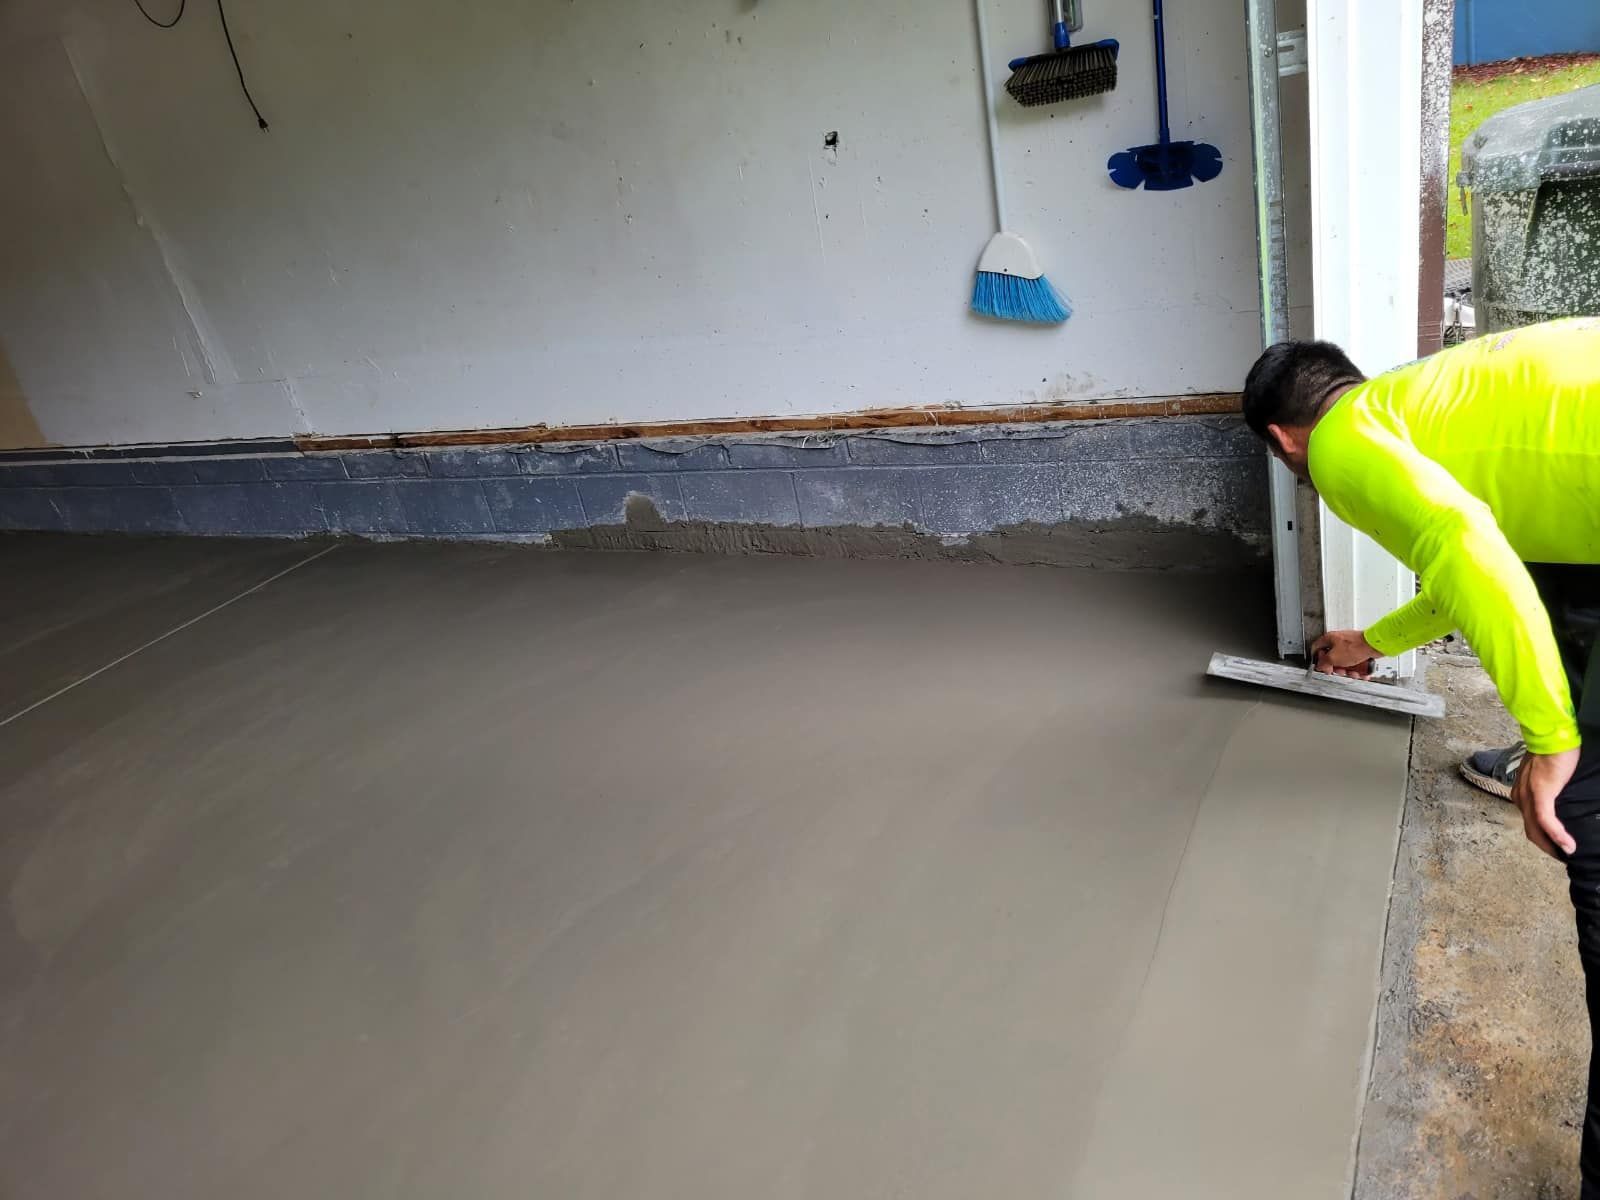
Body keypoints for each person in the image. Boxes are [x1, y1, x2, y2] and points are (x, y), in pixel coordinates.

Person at [1241, 316, 1600, 1197]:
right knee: (1554, 585)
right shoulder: (1418, 404)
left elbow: (1463, 545)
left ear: (1285, 439)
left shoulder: (1338, 447)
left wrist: (1552, 741)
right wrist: (1373, 640)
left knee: (1588, 836)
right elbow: (1478, 553)